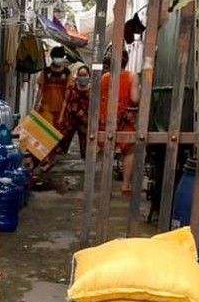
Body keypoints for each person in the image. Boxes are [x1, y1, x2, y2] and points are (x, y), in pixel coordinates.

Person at [98, 49, 140, 195]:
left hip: (107, 118)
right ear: (127, 60)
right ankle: (126, 185)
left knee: (107, 151)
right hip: (124, 118)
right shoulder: (132, 76)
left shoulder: (104, 78)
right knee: (129, 150)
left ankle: (105, 185)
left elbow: (99, 99)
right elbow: (134, 99)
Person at [56, 64, 92, 160]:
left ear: (89, 76)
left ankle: (87, 171)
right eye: (80, 75)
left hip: (85, 121)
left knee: (85, 150)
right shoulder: (72, 87)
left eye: (85, 75)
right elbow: (65, 101)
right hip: (70, 119)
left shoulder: (92, 90)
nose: (82, 78)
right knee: (60, 145)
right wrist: (61, 116)